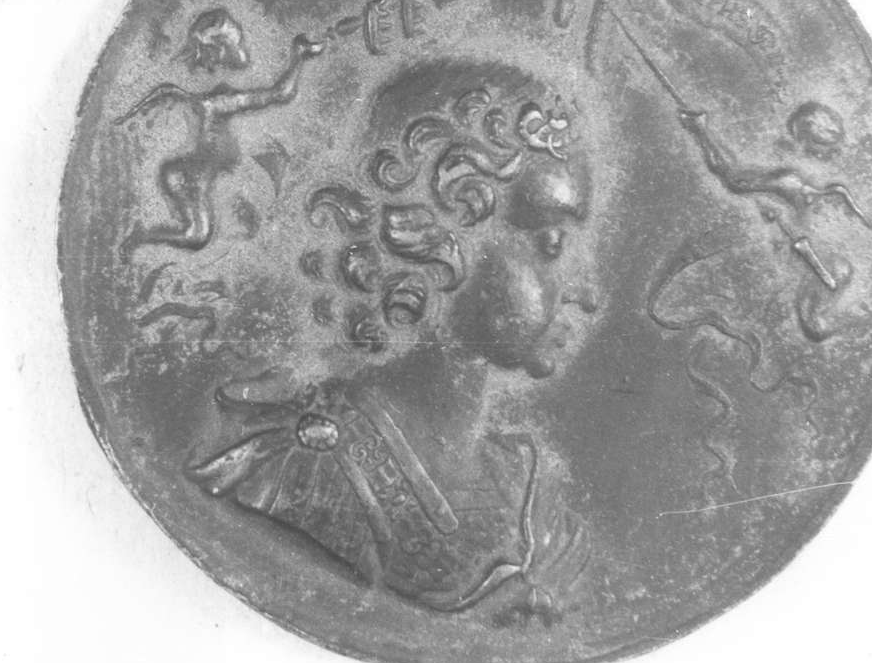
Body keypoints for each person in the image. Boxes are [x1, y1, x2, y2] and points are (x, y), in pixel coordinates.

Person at [191, 61, 600, 622]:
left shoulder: (530, 498)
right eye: (550, 243)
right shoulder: (297, 476)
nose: (586, 292)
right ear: (441, 239)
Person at [117, 9, 323, 258]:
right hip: (189, 177)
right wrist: (298, 57)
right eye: (239, 42)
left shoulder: (216, 96)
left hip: (197, 173)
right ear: (220, 52)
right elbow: (280, 94)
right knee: (197, 236)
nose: (243, 48)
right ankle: (140, 236)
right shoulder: (220, 101)